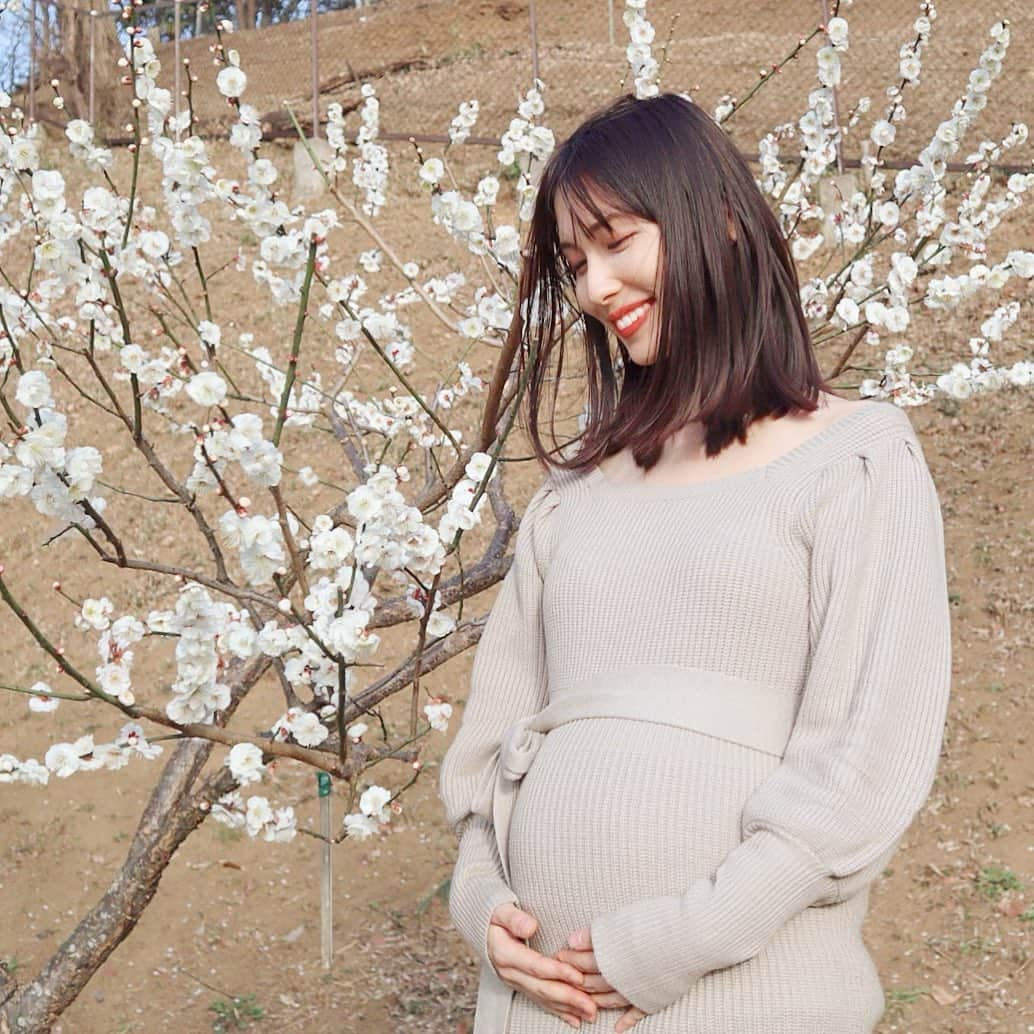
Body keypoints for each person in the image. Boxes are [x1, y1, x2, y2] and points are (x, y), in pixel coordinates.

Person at [438, 93, 952, 1034]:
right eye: (573, 263)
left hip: (751, 999)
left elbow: (864, 758)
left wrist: (677, 941)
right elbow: (490, 750)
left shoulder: (856, 460)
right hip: (541, 1008)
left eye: (615, 241)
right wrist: (481, 905)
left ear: (716, 216)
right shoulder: (570, 501)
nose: (594, 286)